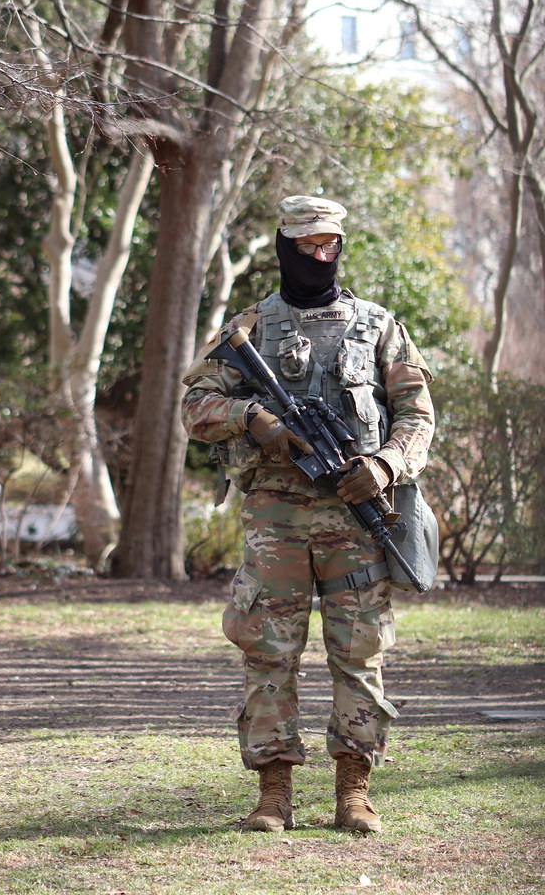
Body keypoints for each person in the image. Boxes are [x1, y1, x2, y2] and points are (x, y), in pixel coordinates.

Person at [181, 195, 434, 834]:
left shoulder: (377, 326)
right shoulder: (251, 328)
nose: (320, 256)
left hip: (357, 516)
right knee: (268, 650)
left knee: (361, 651)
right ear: (283, 248)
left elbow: (418, 415)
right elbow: (195, 404)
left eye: (330, 246)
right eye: (307, 247)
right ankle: (273, 797)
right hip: (276, 519)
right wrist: (253, 418)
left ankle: (354, 792)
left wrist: (383, 466)